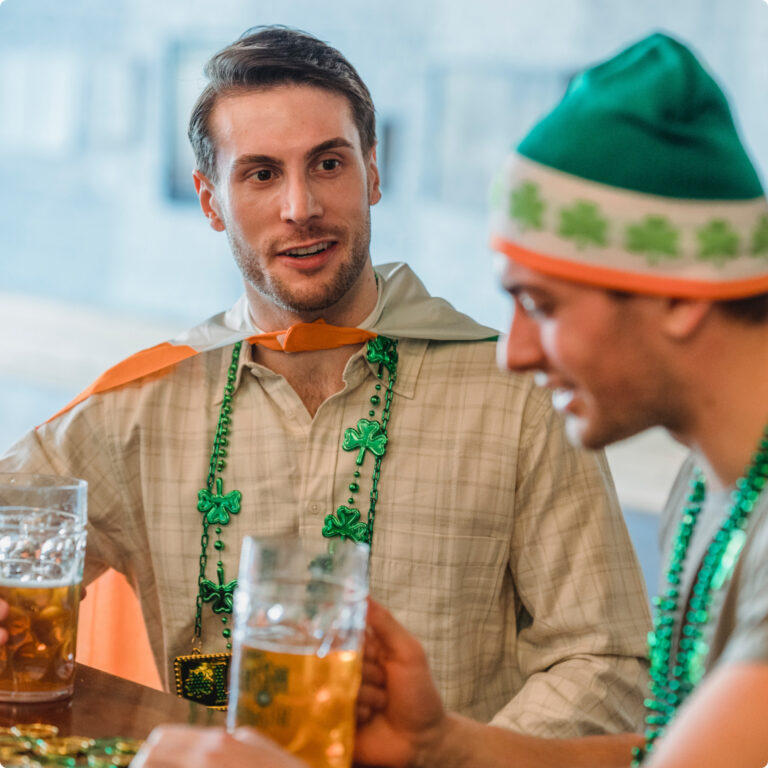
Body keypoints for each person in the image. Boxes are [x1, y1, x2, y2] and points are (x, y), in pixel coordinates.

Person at [134, 31, 768, 768]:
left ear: (681, 297)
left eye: (543, 304)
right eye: (261, 175)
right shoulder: (709, 490)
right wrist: (444, 746)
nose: (515, 351)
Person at [0, 26, 649, 731]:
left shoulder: (519, 392)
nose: (300, 206)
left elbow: (604, 661)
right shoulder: (137, 408)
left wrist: (451, 758)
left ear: (373, 169)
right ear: (210, 200)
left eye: (329, 164)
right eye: (261, 173)